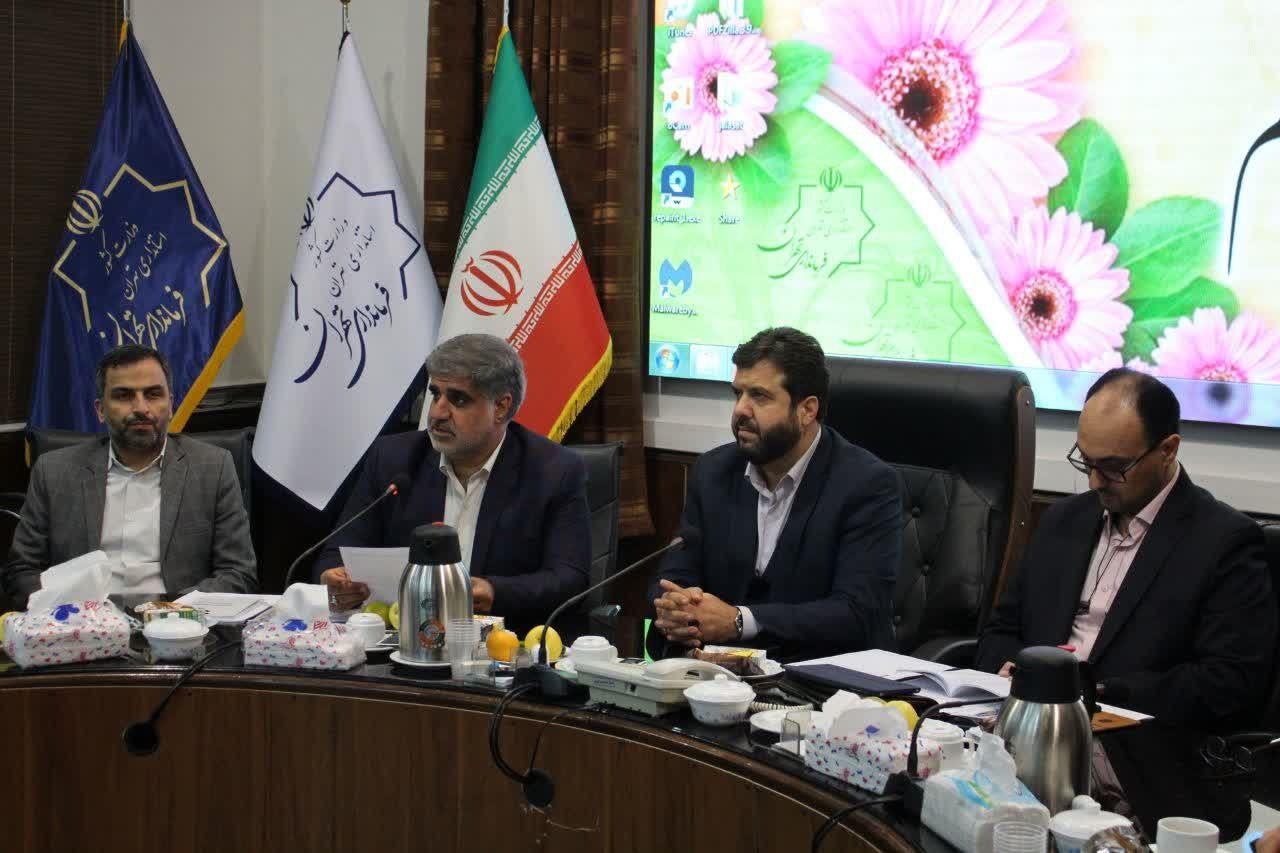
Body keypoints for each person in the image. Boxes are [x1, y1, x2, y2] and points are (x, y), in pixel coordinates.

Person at [977, 368, 1277, 727]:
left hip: (1137, 736)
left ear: (1167, 450)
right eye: (1086, 461)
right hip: (1029, 719)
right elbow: (1001, 630)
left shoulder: (1222, 542)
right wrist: (1017, 668)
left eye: (1114, 467)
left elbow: (1228, 682)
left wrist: (1100, 693)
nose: (1094, 482)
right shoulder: (1063, 520)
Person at [650, 327, 901, 662]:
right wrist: (675, 608)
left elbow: (856, 613)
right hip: (722, 676)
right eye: (738, 394)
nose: (741, 410)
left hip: (822, 677)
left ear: (807, 410)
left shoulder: (866, 485)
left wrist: (739, 622)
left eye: (759, 396)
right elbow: (674, 576)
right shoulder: (714, 472)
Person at [313, 333, 590, 637]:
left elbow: (569, 577)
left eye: (458, 399)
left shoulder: (553, 471)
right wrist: (334, 581)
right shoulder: (394, 460)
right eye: (435, 394)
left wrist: (494, 591)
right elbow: (336, 553)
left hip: (505, 644)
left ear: (500, 407)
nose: (437, 413)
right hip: (401, 641)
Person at [3, 344, 257, 608]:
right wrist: (76, 613)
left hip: (177, 624)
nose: (141, 407)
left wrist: (169, 613)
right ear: (100, 410)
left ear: (170, 405)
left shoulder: (213, 468)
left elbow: (238, 574)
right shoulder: (54, 471)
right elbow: (21, 572)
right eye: (124, 396)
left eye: (153, 394)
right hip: (83, 624)